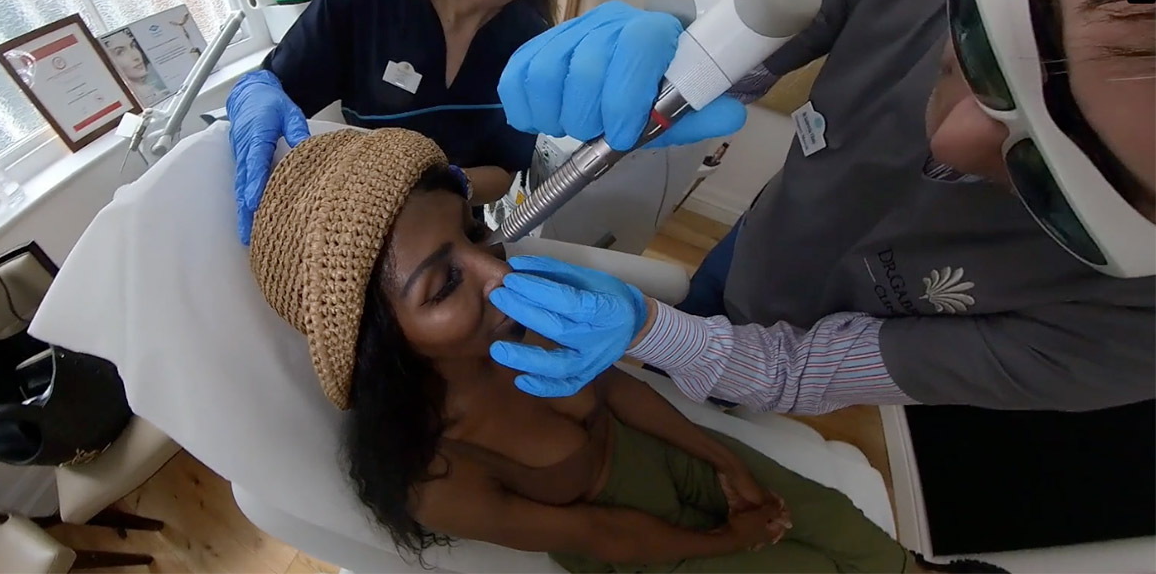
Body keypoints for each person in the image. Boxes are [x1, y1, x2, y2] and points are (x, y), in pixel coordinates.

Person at [248, 127, 1003, 573]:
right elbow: (600, 533)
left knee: (835, 519)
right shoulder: (436, 471)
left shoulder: (524, 327)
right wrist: (724, 539)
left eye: (477, 235)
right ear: (384, 345)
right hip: (635, 543)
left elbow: (618, 393)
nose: (498, 271)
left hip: (663, 457)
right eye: (444, 285)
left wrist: (726, 462)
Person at [486, 0, 1155, 413]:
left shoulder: (1129, 332)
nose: (948, 145)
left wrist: (657, 334)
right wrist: (683, 55)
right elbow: (786, 6)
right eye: (980, 48)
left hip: (809, 337)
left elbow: (799, 371)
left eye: (1052, 187)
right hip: (767, 235)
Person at [229, 0, 565, 244]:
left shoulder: (532, 45)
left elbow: (502, 171)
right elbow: (279, 91)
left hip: (453, 227)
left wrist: (446, 184)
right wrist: (256, 90)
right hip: (357, 225)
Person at [103, 28, 167, 106]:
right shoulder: (125, 102)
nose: (136, 57)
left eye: (132, 46)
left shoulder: (155, 88)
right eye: (120, 52)